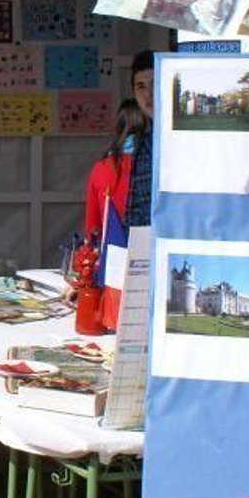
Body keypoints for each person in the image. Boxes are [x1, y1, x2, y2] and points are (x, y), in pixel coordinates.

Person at [81, 99, 145, 330]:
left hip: (112, 273)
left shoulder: (102, 169)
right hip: (147, 263)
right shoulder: (156, 169)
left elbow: (92, 229)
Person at [124, 51, 156, 228]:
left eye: (154, 83)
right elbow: (133, 212)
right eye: (141, 87)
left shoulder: (187, 137)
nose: (148, 93)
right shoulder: (140, 146)